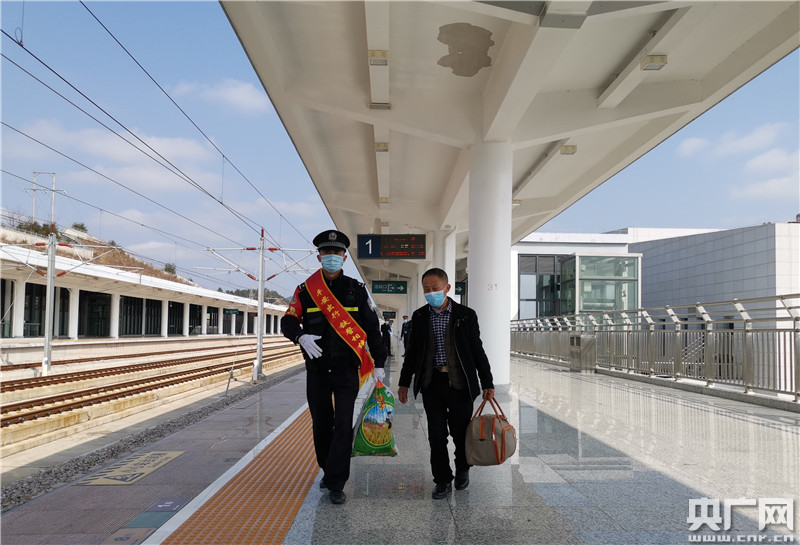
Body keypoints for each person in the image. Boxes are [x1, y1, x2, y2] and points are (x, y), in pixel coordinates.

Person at [281, 229, 387, 505]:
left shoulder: (356, 289)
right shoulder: (305, 290)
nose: (332, 257)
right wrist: (300, 336)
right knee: (321, 423)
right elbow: (288, 320)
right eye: (326, 252)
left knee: (343, 424)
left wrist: (379, 363)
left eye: (337, 253)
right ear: (319, 257)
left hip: (346, 370)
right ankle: (328, 469)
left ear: (344, 257)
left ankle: (336, 482)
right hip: (317, 370)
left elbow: (372, 329)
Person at [397, 267, 495, 499]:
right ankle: (441, 479)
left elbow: (477, 350)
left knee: (461, 432)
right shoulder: (420, 316)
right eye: (426, 289)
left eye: (435, 287)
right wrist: (403, 382)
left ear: (447, 287)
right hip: (432, 383)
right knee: (436, 434)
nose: (430, 292)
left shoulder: (465, 315)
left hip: (460, 383)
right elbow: (412, 353)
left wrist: (487, 382)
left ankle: (462, 469)